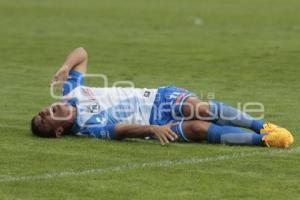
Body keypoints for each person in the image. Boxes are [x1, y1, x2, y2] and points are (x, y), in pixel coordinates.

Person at [31, 47, 294, 148]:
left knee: (199, 109)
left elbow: (82, 52)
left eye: (41, 112)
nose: (44, 113)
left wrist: (66, 66)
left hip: (159, 97)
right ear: (58, 132)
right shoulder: (89, 128)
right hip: (153, 125)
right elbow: (121, 131)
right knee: (198, 128)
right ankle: (266, 140)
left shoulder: (71, 92)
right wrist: (151, 128)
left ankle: (261, 125)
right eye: (44, 121)